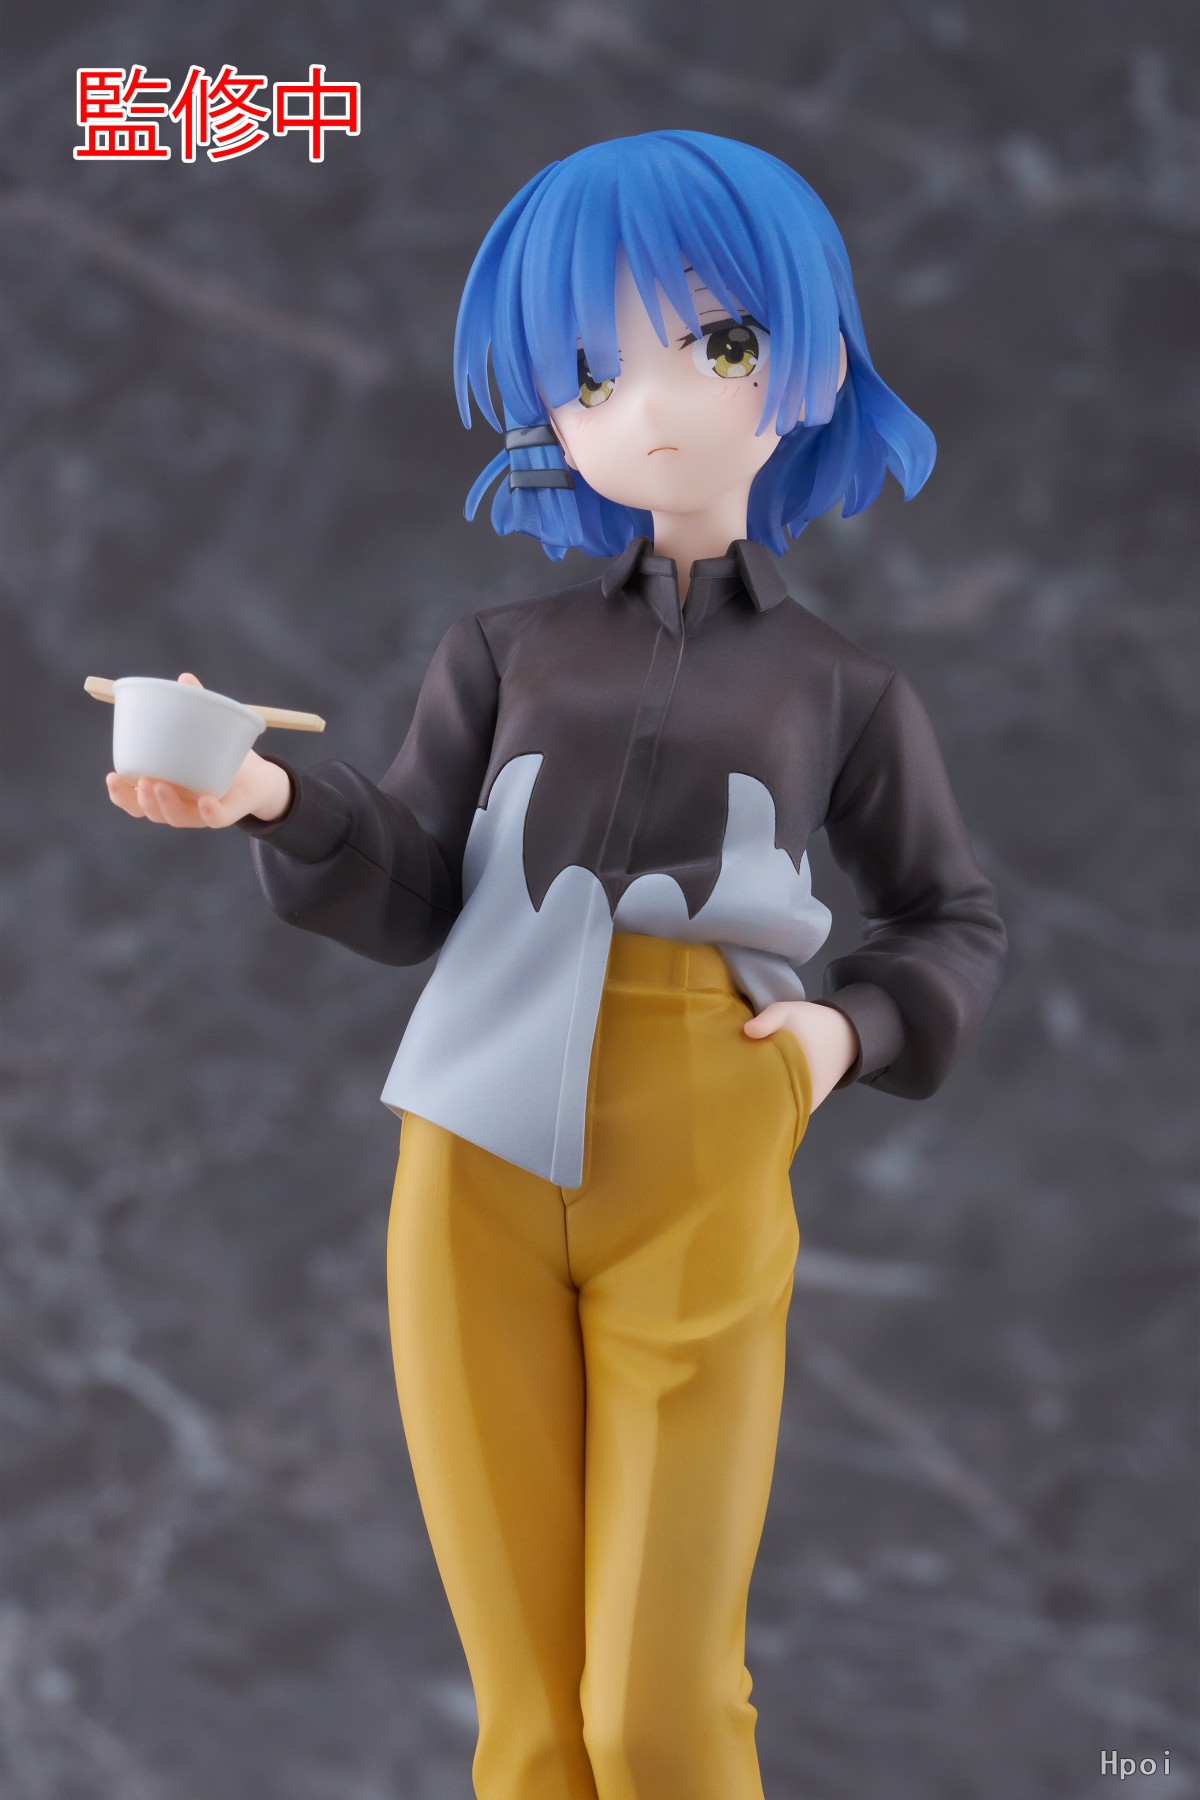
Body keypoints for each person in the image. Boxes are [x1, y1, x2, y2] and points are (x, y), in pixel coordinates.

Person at [106, 131, 1007, 1800]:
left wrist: (843, 1037)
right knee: (530, 1723)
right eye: (593, 372)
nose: (649, 404)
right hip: (473, 1136)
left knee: (657, 1716)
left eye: (716, 343)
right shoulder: (503, 651)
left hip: (704, 1131)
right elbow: (412, 884)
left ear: (807, 366)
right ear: (552, 411)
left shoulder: (840, 687)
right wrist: (269, 794)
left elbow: (950, 914)